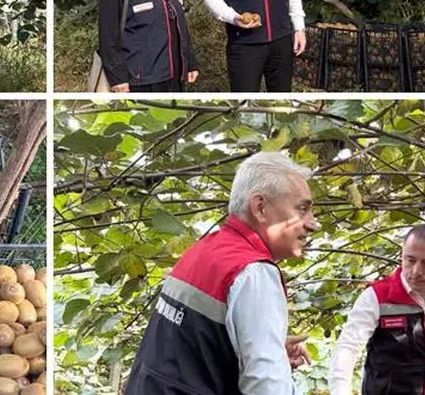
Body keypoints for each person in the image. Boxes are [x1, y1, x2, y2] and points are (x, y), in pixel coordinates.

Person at [125, 152, 320, 394]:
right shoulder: (253, 272)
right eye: (302, 209)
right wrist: (270, 364)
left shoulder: (205, 250)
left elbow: (190, 352)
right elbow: (267, 386)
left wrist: (268, 351)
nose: (313, 223)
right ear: (260, 207)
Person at [327, 225, 425, 395]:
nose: (417, 271)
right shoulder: (377, 296)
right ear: (402, 257)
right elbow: (347, 349)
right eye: (410, 260)